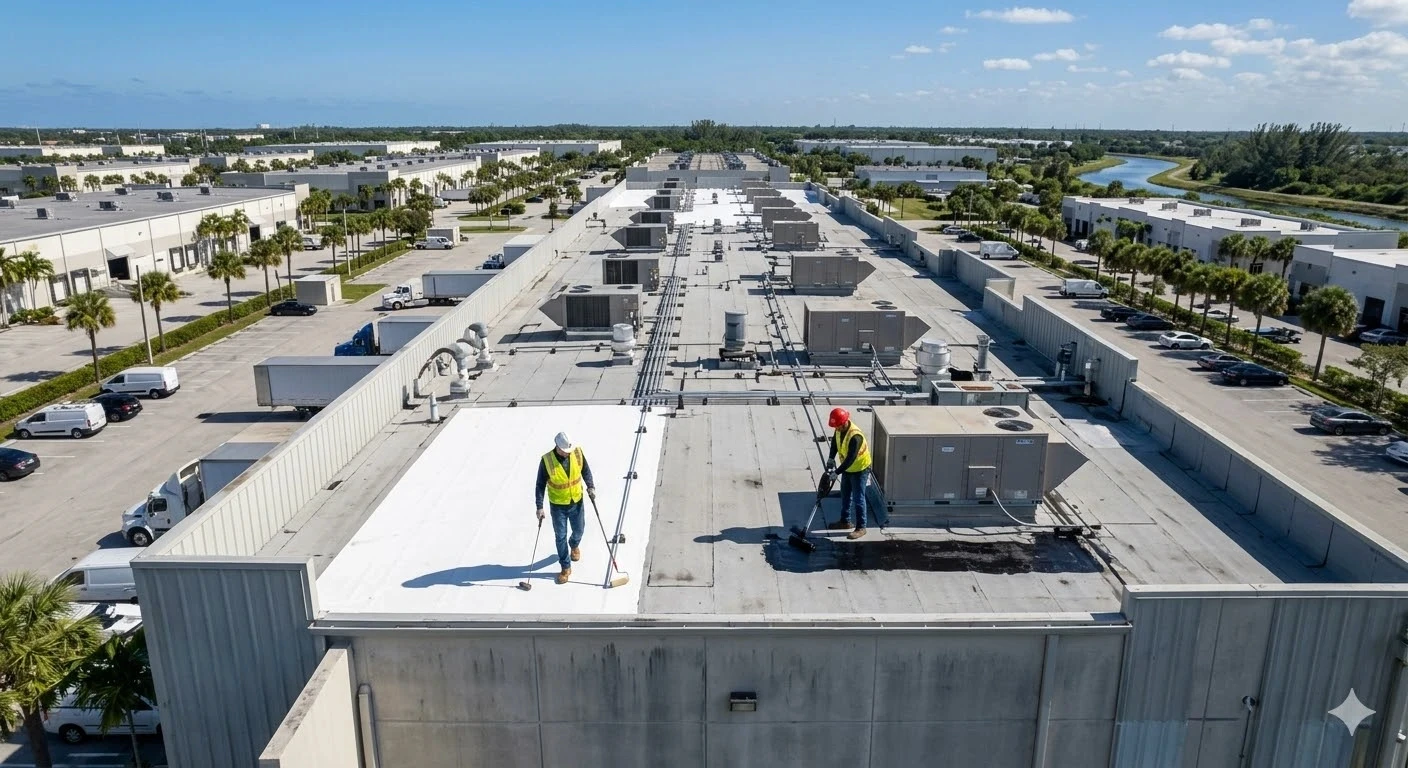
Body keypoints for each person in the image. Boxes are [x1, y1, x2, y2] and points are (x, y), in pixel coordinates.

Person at [535, 431, 596, 584]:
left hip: (577, 502)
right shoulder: (547, 461)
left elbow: (586, 471)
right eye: (564, 450)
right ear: (557, 447)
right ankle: (565, 566)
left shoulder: (577, 453)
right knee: (560, 536)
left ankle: (574, 545)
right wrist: (539, 507)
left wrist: (591, 486)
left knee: (579, 530)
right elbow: (540, 485)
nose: (567, 453)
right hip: (558, 507)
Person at [825, 407, 871, 540]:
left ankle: (861, 527)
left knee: (858, 498)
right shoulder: (839, 428)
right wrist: (831, 457)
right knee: (845, 495)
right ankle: (845, 521)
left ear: (844, 422)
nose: (836, 429)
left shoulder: (855, 436)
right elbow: (835, 442)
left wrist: (837, 472)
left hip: (860, 469)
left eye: (838, 426)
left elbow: (850, 458)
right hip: (848, 469)